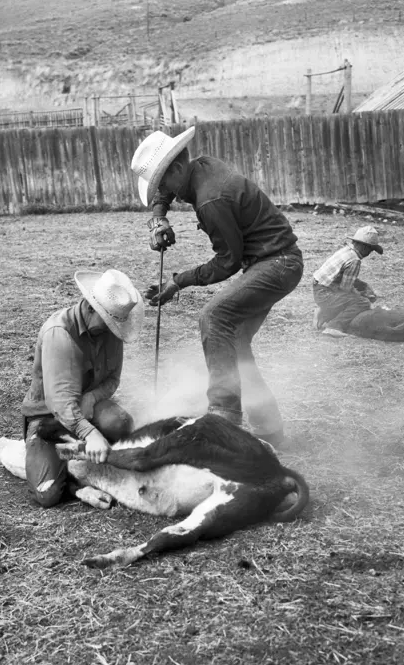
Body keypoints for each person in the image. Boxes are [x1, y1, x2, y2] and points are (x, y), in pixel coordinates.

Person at [130, 127, 303, 447]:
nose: (163, 191)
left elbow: (228, 263)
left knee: (213, 316)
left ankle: (224, 413)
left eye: (161, 182)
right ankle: (270, 431)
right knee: (236, 345)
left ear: (177, 169)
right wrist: (158, 216)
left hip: (277, 264)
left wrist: (177, 281)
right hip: (272, 261)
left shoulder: (211, 200)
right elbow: (168, 191)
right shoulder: (200, 165)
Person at [21, 269, 144, 507]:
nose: (112, 331)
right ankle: (72, 474)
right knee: (47, 494)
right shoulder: (60, 333)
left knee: (121, 424)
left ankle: (81, 452)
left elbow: (112, 380)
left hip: (84, 407)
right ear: (89, 308)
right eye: (107, 323)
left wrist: (92, 396)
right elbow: (60, 403)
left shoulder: (111, 331)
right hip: (49, 419)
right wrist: (91, 433)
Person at [312, 225, 382, 338]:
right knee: (362, 302)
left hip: (319, 289)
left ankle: (324, 313)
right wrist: (363, 295)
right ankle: (334, 327)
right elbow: (345, 288)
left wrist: (364, 286)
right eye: (370, 249)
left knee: (355, 295)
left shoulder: (346, 250)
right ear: (364, 247)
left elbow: (344, 277)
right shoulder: (355, 260)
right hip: (326, 294)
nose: (369, 253)